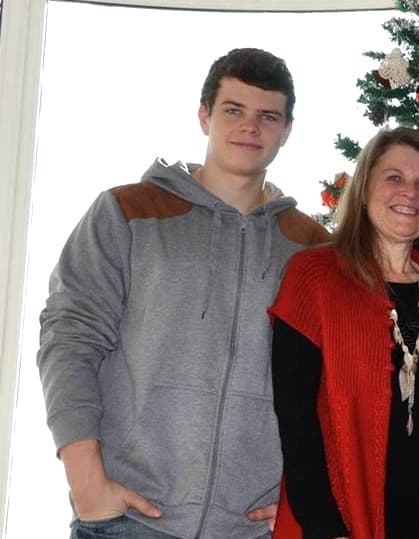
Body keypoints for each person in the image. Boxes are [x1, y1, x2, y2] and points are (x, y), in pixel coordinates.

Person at [37, 48, 329, 539]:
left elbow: (335, 385)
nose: (250, 128)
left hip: (253, 530)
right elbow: (70, 340)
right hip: (127, 520)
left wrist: (306, 498)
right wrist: (86, 481)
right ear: (204, 116)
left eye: (267, 116)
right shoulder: (127, 212)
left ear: (287, 130)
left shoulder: (313, 247)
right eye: (234, 110)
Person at [268, 127, 419, 539]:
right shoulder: (314, 278)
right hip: (335, 521)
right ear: (366, 185)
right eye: (394, 178)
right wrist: (324, 527)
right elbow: (295, 417)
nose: (410, 193)